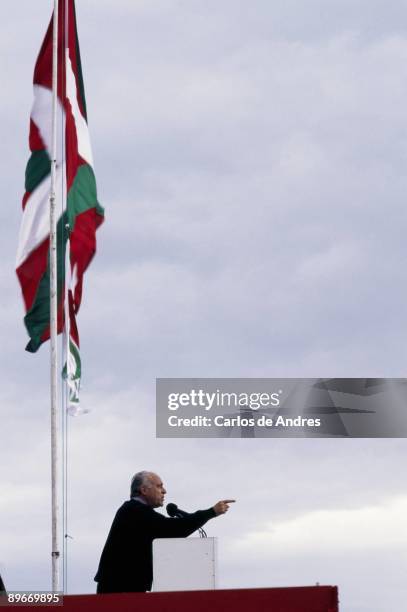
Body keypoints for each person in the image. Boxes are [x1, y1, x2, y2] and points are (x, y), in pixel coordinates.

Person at [94, 471, 235, 593]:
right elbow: (173, 528)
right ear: (144, 490)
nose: (164, 491)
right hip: (119, 589)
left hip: (125, 587)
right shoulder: (134, 511)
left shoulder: (136, 511)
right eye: (159, 486)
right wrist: (211, 512)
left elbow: (170, 528)